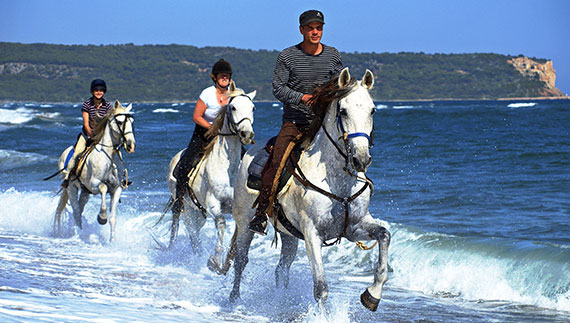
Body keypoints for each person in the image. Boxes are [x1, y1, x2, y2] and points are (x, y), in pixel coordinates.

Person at [248, 9, 343, 234]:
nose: (315, 32)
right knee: (276, 161)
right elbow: (278, 88)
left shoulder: (333, 55)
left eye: (318, 28)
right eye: (310, 28)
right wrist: (301, 97)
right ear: (301, 30)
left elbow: (339, 84)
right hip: (295, 122)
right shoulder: (288, 56)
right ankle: (261, 214)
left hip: (323, 124)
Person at [171, 59, 233, 214]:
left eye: (227, 75)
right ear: (215, 78)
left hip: (227, 137)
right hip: (204, 134)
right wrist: (213, 129)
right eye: (221, 76)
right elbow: (197, 116)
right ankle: (179, 200)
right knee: (185, 163)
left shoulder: (234, 94)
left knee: (246, 162)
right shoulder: (207, 93)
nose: (224, 78)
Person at [62, 78, 112, 187]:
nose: (99, 92)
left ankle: (119, 178)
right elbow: (86, 123)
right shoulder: (87, 104)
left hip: (102, 136)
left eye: (101, 90)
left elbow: (108, 122)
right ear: (92, 91)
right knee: (77, 153)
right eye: (96, 90)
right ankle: (68, 176)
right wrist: (91, 135)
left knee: (116, 153)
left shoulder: (107, 105)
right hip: (87, 135)